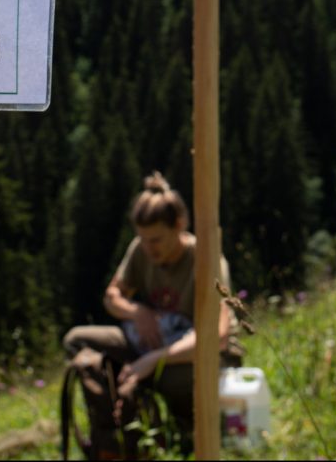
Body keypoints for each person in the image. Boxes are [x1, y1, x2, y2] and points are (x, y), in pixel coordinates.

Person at [63, 171, 242, 430]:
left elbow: (218, 335)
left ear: (179, 225)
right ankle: (120, 423)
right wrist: (137, 312)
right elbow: (112, 297)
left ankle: (187, 429)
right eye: (143, 239)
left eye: (156, 239)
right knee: (77, 341)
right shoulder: (140, 249)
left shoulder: (206, 260)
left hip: (201, 353)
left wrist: (153, 361)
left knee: (170, 378)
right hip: (150, 342)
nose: (149, 248)